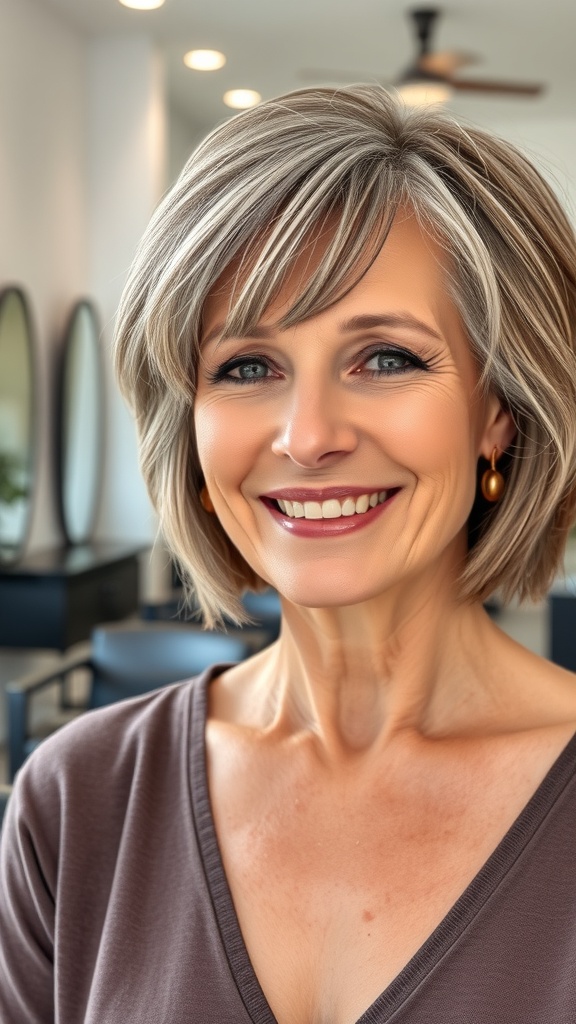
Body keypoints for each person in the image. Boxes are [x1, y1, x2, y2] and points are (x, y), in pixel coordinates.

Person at [2, 85, 576, 1023]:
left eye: (386, 357)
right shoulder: (77, 802)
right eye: (246, 368)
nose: (308, 437)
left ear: (500, 412)